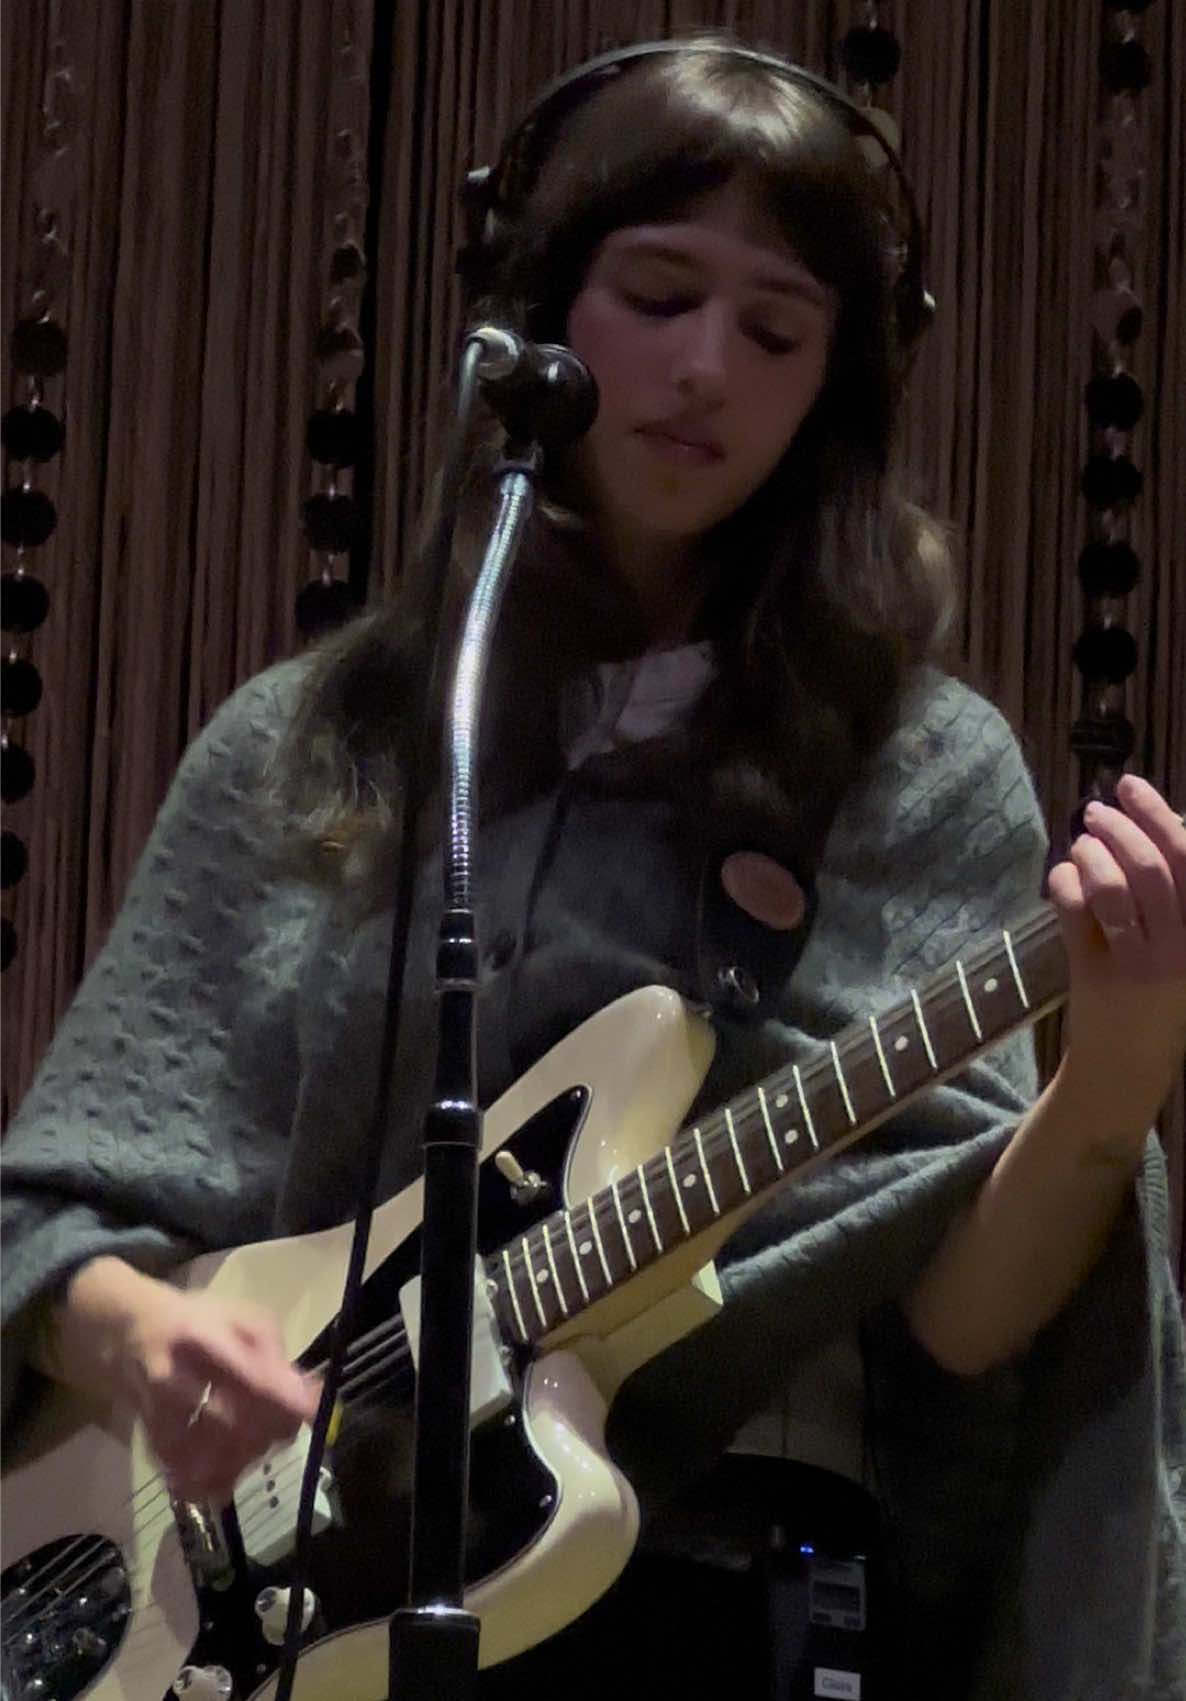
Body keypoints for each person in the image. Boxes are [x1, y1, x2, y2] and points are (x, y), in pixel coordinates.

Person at [3, 34, 1185, 1701]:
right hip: (278, 1615)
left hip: (720, 1607)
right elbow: (53, 1213)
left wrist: (1111, 1081)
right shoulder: (318, 737)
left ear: (834, 383)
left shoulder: (912, 770)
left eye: (775, 329)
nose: (707, 366)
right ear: (536, 313)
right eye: (655, 293)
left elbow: (953, 1329)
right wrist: (131, 1334)